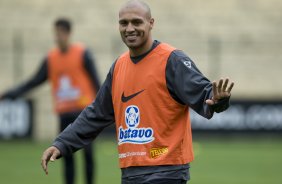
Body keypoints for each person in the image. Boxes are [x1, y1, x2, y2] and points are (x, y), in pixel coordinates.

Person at [41, 1, 234, 184]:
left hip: (166, 171)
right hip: (131, 172)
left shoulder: (171, 59)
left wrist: (218, 101)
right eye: (123, 23)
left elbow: (205, 93)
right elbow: (96, 113)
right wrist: (62, 143)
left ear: (151, 23)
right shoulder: (118, 67)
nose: (129, 28)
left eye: (136, 22)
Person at [1, 18, 100, 184]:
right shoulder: (51, 58)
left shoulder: (83, 53)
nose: (57, 37)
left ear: (68, 33)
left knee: (88, 154)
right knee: (66, 155)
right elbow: (34, 81)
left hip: (83, 112)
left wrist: (101, 109)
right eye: (56, 33)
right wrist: (9, 94)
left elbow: (97, 82)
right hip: (64, 113)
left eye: (60, 33)